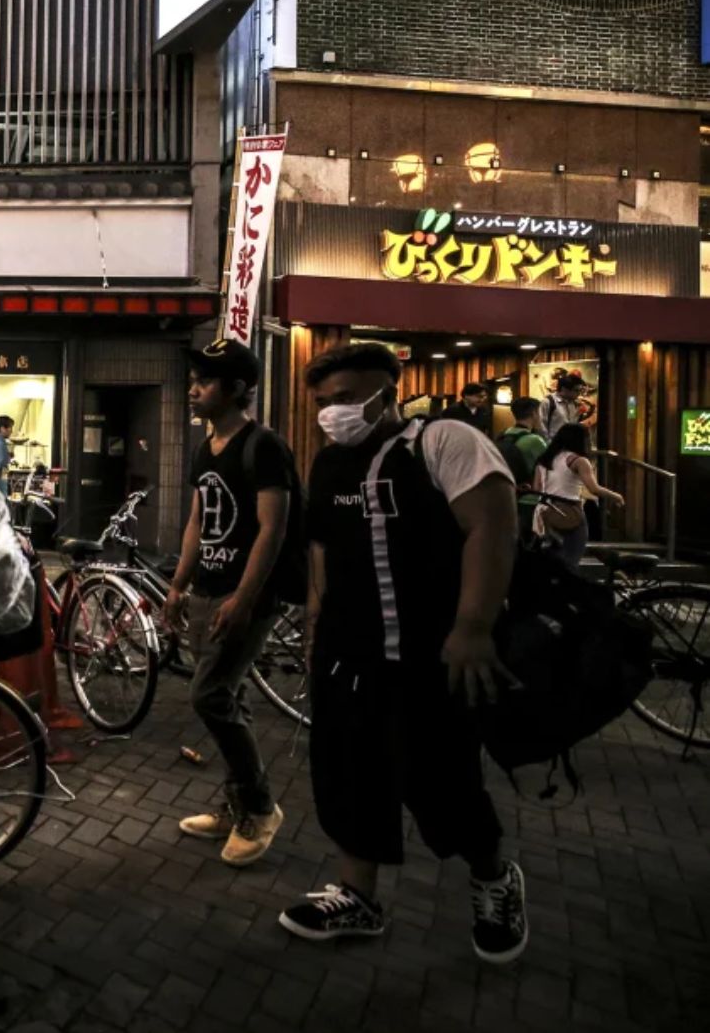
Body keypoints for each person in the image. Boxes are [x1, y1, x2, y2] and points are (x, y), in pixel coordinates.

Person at [283, 343, 527, 965]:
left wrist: (472, 627)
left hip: (431, 659)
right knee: (349, 777)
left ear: (387, 392)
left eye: (345, 398)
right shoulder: (330, 464)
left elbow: (494, 525)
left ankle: (494, 880)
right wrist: (315, 627)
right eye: (323, 402)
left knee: (444, 784)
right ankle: (358, 897)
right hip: (348, 656)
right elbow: (321, 552)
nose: (332, 412)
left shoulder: (442, 443)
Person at [165, 339, 298, 866]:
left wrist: (245, 596)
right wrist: (178, 584)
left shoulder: (264, 446)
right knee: (229, 696)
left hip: (245, 595)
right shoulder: (207, 446)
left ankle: (260, 809)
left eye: (205, 380)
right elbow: (199, 520)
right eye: (194, 377)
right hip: (207, 590)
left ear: (238, 389)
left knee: (210, 695)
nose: (193, 388)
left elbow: (275, 526)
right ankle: (236, 800)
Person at [534, 424, 622, 568]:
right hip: (570, 512)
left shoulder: (544, 460)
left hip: (544, 513)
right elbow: (594, 489)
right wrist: (616, 496)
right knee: (572, 557)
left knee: (551, 558)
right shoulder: (579, 461)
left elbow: (537, 488)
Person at [497, 398, 549, 539]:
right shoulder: (535, 440)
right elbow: (551, 465)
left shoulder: (503, 435)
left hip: (508, 496)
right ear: (534, 413)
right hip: (530, 498)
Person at [540, 374, 585, 440]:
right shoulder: (548, 402)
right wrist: (548, 445)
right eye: (576, 390)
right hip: (553, 444)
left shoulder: (574, 403)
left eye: (580, 390)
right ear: (564, 389)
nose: (579, 393)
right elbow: (541, 426)